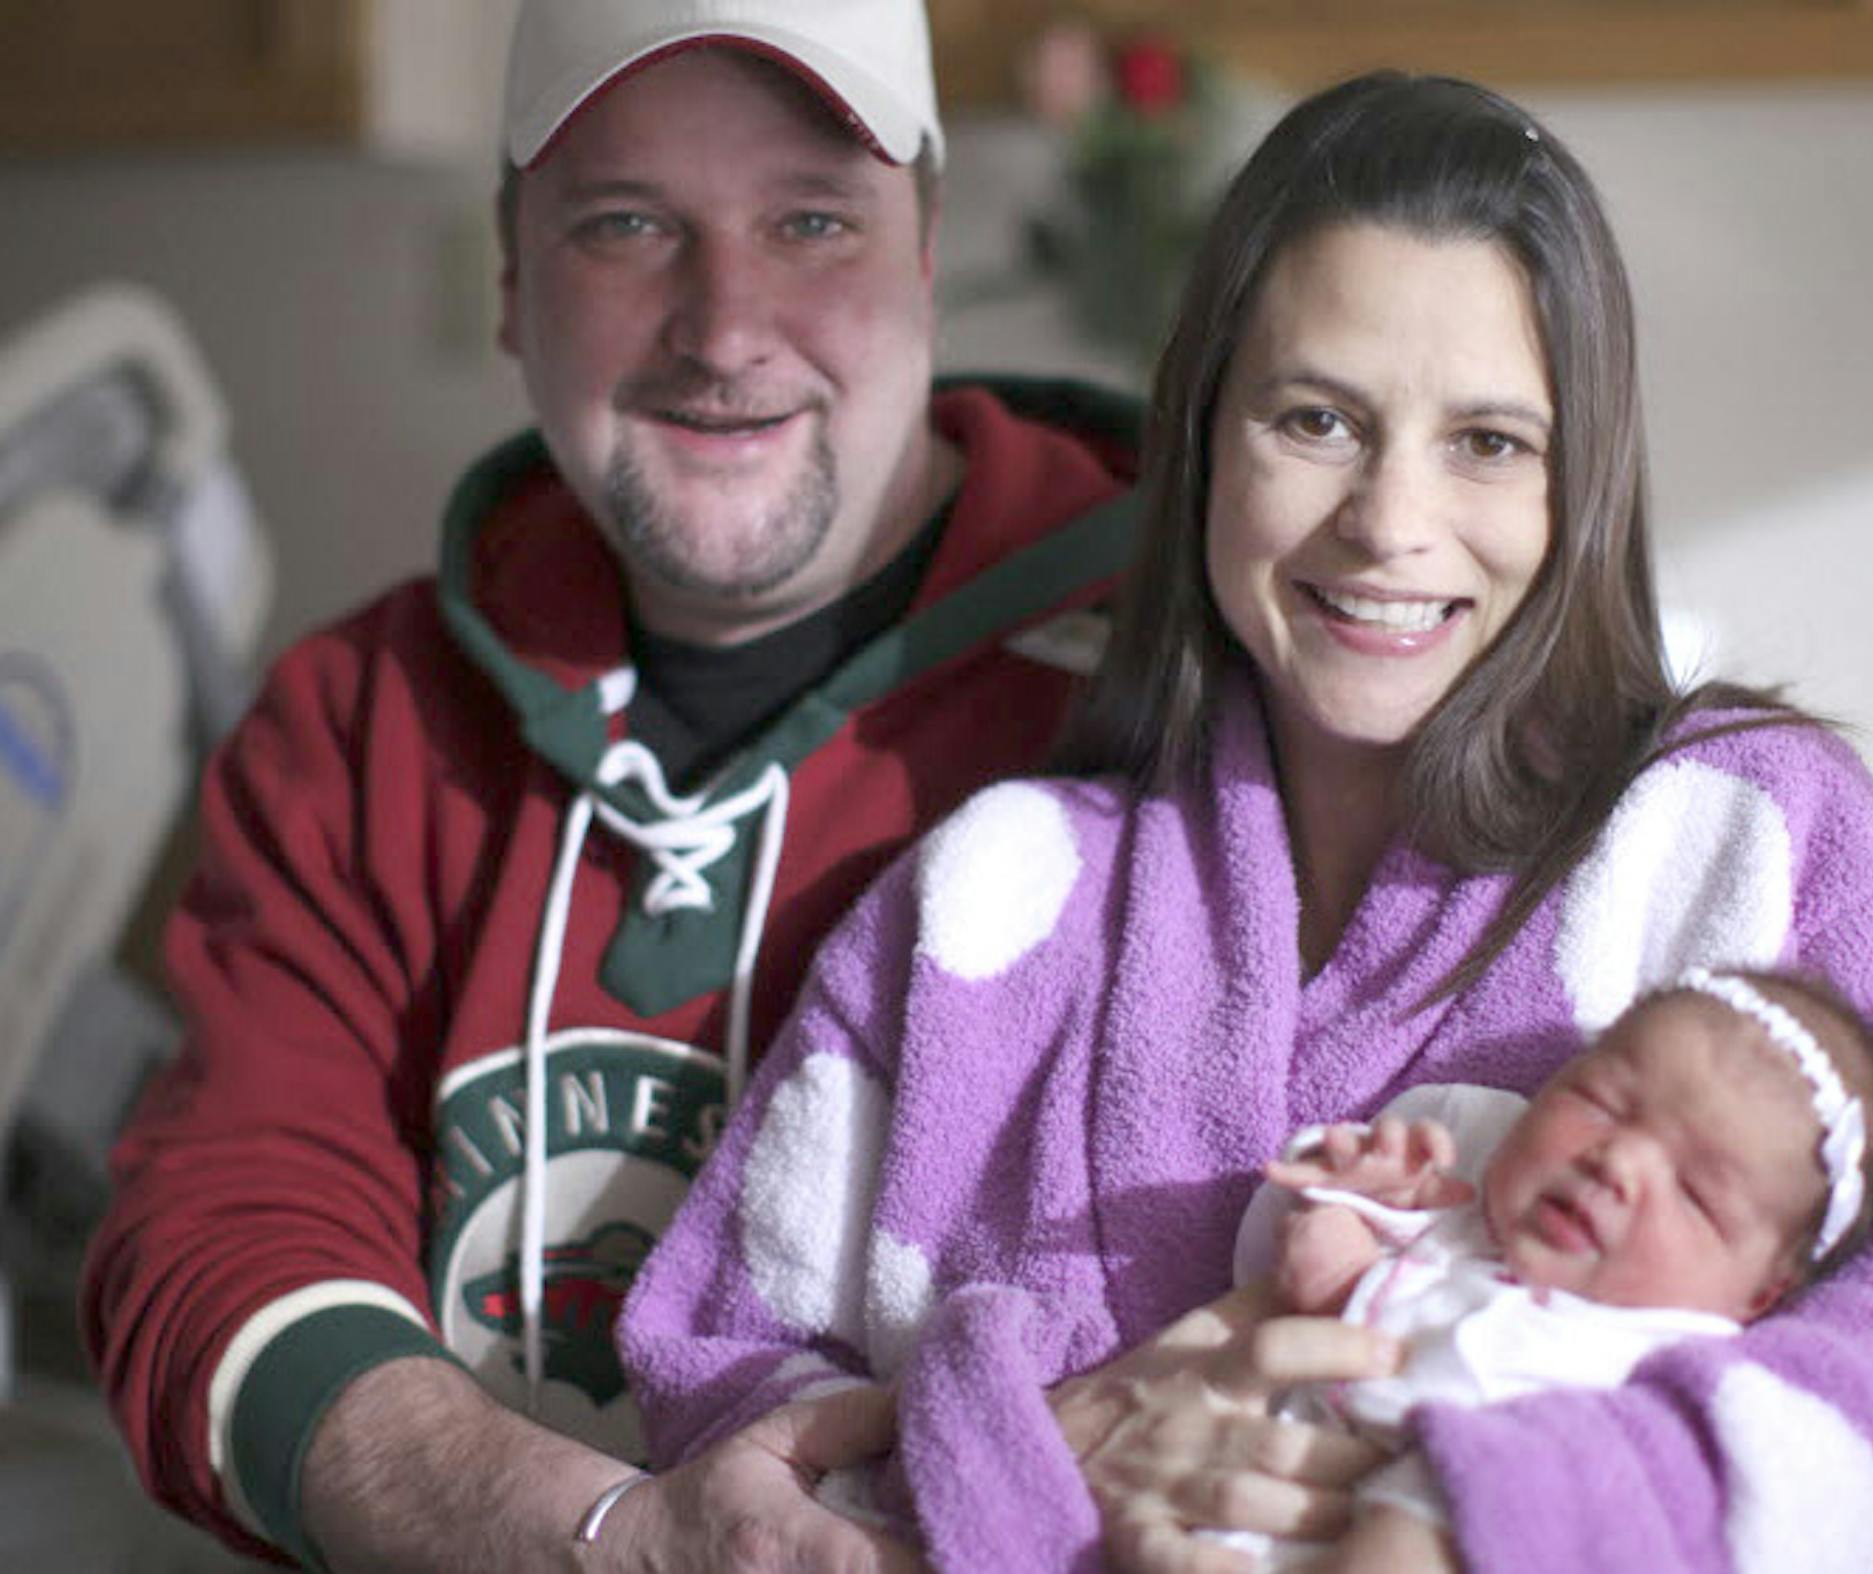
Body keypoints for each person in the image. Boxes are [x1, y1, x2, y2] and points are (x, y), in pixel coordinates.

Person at [616, 71, 1873, 1573]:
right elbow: (718, 1375)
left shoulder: (1748, 839)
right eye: (1318, 419)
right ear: (1206, 436)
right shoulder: (986, 899)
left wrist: (1528, 1510)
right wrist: (1027, 1462)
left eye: (1488, 442)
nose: (1391, 523)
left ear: (1579, 482)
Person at [78, 2, 1145, 1568]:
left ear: (923, 250)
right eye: (628, 223)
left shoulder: (1182, 676)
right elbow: (216, 1234)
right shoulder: (357, 724)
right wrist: (603, 1536)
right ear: (513, 282)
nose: (725, 327)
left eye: (810, 219)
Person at [1222, 966, 1873, 1570]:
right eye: (1601, 1104)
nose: (1620, 1162)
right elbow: (1259, 1252)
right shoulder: (1460, 1198)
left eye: (1696, 1193)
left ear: (1759, 1294)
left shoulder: (1662, 1379)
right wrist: (1349, 1198)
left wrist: (1347, 1289)